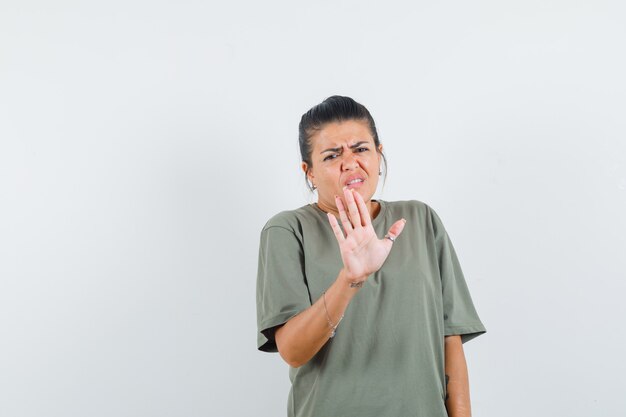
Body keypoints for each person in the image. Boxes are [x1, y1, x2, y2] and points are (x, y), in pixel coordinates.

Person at [256, 95, 486, 417]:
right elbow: (292, 351)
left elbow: (451, 339)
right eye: (332, 155)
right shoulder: (288, 230)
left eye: (361, 149)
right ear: (309, 172)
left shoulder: (420, 220)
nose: (350, 162)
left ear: (379, 154)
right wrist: (350, 279)